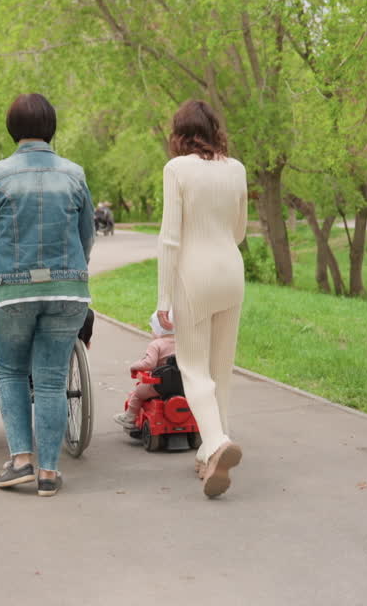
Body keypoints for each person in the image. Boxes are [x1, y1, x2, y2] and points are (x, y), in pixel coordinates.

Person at [0, 93, 95, 497]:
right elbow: (87, 235)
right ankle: (48, 473)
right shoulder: (74, 174)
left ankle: (21, 461)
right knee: (51, 380)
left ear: (12, 130)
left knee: (10, 371)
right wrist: (72, 269)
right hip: (67, 291)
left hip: (13, 291)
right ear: (51, 127)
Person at [156, 99, 248, 498]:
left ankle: (214, 444)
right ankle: (209, 455)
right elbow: (240, 230)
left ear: (179, 134)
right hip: (231, 271)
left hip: (194, 275)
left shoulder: (176, 170)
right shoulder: (237, 169)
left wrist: (163, 296)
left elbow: (170, 238)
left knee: (194, 371)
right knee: (220, 371)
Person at [112, 311, 176, 430]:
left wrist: (135, 366)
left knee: (138, 392)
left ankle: (129, 417)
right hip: (182, 386)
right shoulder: (183, 343)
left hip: (160, 387)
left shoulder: (156, 344)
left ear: (159, 329)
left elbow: (149, 363)